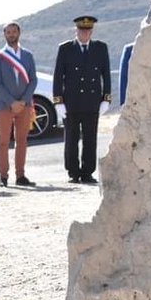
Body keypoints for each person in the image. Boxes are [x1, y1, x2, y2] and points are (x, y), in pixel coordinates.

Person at [53, 15, 111, 184]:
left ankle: (87, 172)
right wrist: (58, 101)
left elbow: (106, 74)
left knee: (90, 139)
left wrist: (106, 98)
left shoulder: (100, 48)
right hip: (71, 102)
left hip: (92, 101)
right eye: (81, 30)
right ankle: (73, 172)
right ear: (76, 31)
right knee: (71, 139)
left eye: (88, 31)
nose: (84, 34)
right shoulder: (65, 48)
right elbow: (58, 76)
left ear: (91, 31)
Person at [0, 23, 38, 188]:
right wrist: (12, 101)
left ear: (19, 33)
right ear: (4, 34)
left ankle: (21, 175)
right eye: (8, 32)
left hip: (24, 105)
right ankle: (3, 177)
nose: (11, 34)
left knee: (22, 141)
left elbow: (33, 80)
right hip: (5, 105)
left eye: (14, 31)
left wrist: (23, 101)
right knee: (3, 142)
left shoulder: (28, 55)